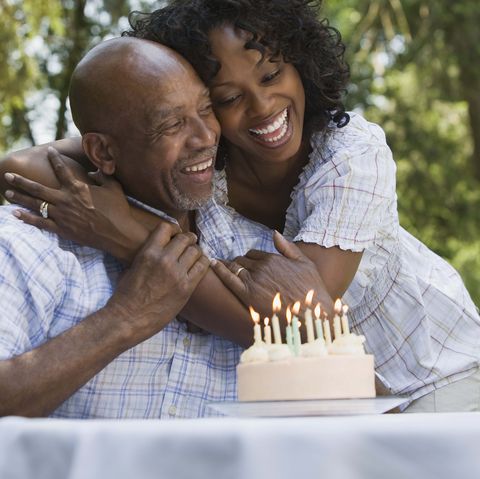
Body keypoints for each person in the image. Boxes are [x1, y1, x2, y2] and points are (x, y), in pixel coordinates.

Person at [2, 0, 480, 412]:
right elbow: (22, 166)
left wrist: (127, 235)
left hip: (435, 367)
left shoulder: (350, 154)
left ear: (300, 60)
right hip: (352, 388)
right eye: (226, 98)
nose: (263, 105)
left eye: (272, 74)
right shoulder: (211, 159)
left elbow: (296, 324)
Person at [0, 36, 330, 418]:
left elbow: (372, 421)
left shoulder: (266, 255)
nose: (206, 137)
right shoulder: (28, 245)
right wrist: (124, 319)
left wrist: (320, 326)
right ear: (104, 152)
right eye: (171, 124)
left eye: (206, 109)